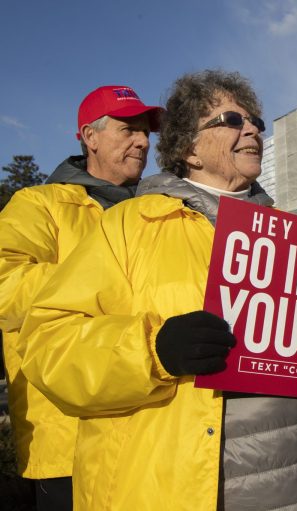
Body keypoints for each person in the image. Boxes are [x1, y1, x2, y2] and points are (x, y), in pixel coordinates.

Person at [19, 70, 297, 509]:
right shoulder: (128, 226)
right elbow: (49, 346)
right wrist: (153, 349)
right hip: (209, 490)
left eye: (256, 122)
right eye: (231, 119)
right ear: (187, 147)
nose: (251, 129)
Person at [0, 84, 162, 510]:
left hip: (156, 431)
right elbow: (5, 287)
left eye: (145, 132)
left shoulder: (160, 211)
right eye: (129, 129)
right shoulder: (38, 205)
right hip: (68, 438)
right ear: (90, 137)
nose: (143, 141)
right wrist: (111, 284)